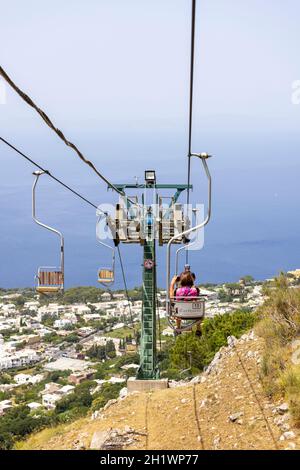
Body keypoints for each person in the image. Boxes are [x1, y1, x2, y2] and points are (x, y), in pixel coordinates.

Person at [169, 271, 202, 337]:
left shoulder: (177, 291)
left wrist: (172, 283)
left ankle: (178, 326)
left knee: (177, 307)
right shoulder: (196, 290)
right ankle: (198, 328)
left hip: (180, 314)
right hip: (194, 314)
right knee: (198, 307)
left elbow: (171, 298)